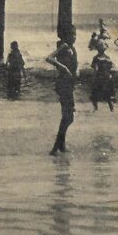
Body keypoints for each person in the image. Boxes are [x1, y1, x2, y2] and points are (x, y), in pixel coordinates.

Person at [46, 25, 78, 155]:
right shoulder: (64, 46)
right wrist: (63, 67)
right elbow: (49, 58)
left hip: (68, 84)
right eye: (71, 34)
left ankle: (60, 145)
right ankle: (56, 147)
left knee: (68, 116)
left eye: (75, 34)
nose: (74, 37)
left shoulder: (72, 48)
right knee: (68, 116)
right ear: (65, 36)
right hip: (63, 84)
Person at [90, 41, 116, 112]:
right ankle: (112, 109)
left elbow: (95, 69)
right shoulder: (108, 58)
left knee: (95, 93)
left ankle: (95, 108)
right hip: (107, 77)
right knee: (108, 94)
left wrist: (94, 77)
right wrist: (110, 75)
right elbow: (112, 67)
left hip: (99, 77)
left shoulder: (96, 58)